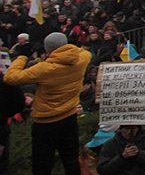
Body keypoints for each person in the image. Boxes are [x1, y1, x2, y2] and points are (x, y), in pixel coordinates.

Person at [3, 32, 91, 175]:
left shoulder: (44, 69)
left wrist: (22, 57)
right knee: (71, 161)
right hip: (69, 116)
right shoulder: (83, 58)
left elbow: (10, 78)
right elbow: (82, 51)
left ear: (48, 49)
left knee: (42, 165)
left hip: (45, 122)